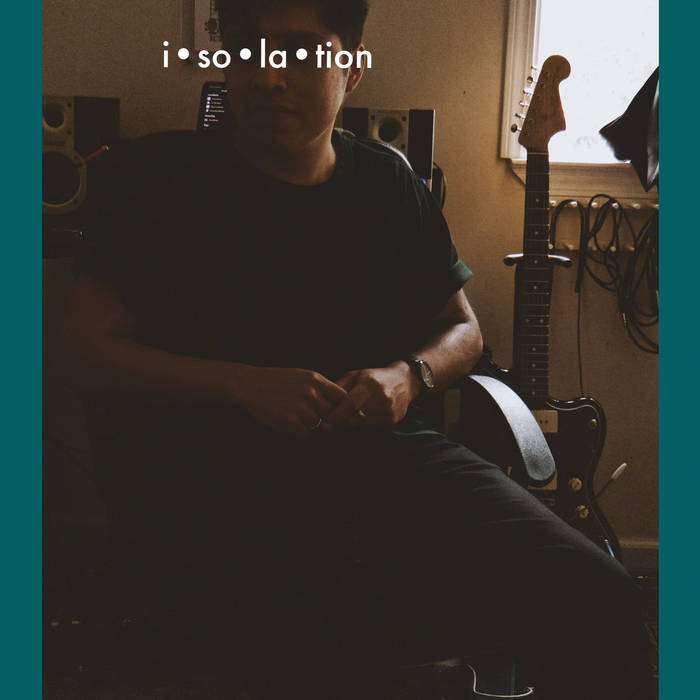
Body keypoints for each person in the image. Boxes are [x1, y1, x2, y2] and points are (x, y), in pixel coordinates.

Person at [52, 1, 654, 698]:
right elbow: (80, 350)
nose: (268, 75)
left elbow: (463, 331)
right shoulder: (159, 180)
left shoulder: (388, 181)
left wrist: (408, 375)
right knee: (316, 633)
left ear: (353, 69)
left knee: (596, 594)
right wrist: (241, 384)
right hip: (211, 474)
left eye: (300, 52)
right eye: (246, 49)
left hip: (384, 461)